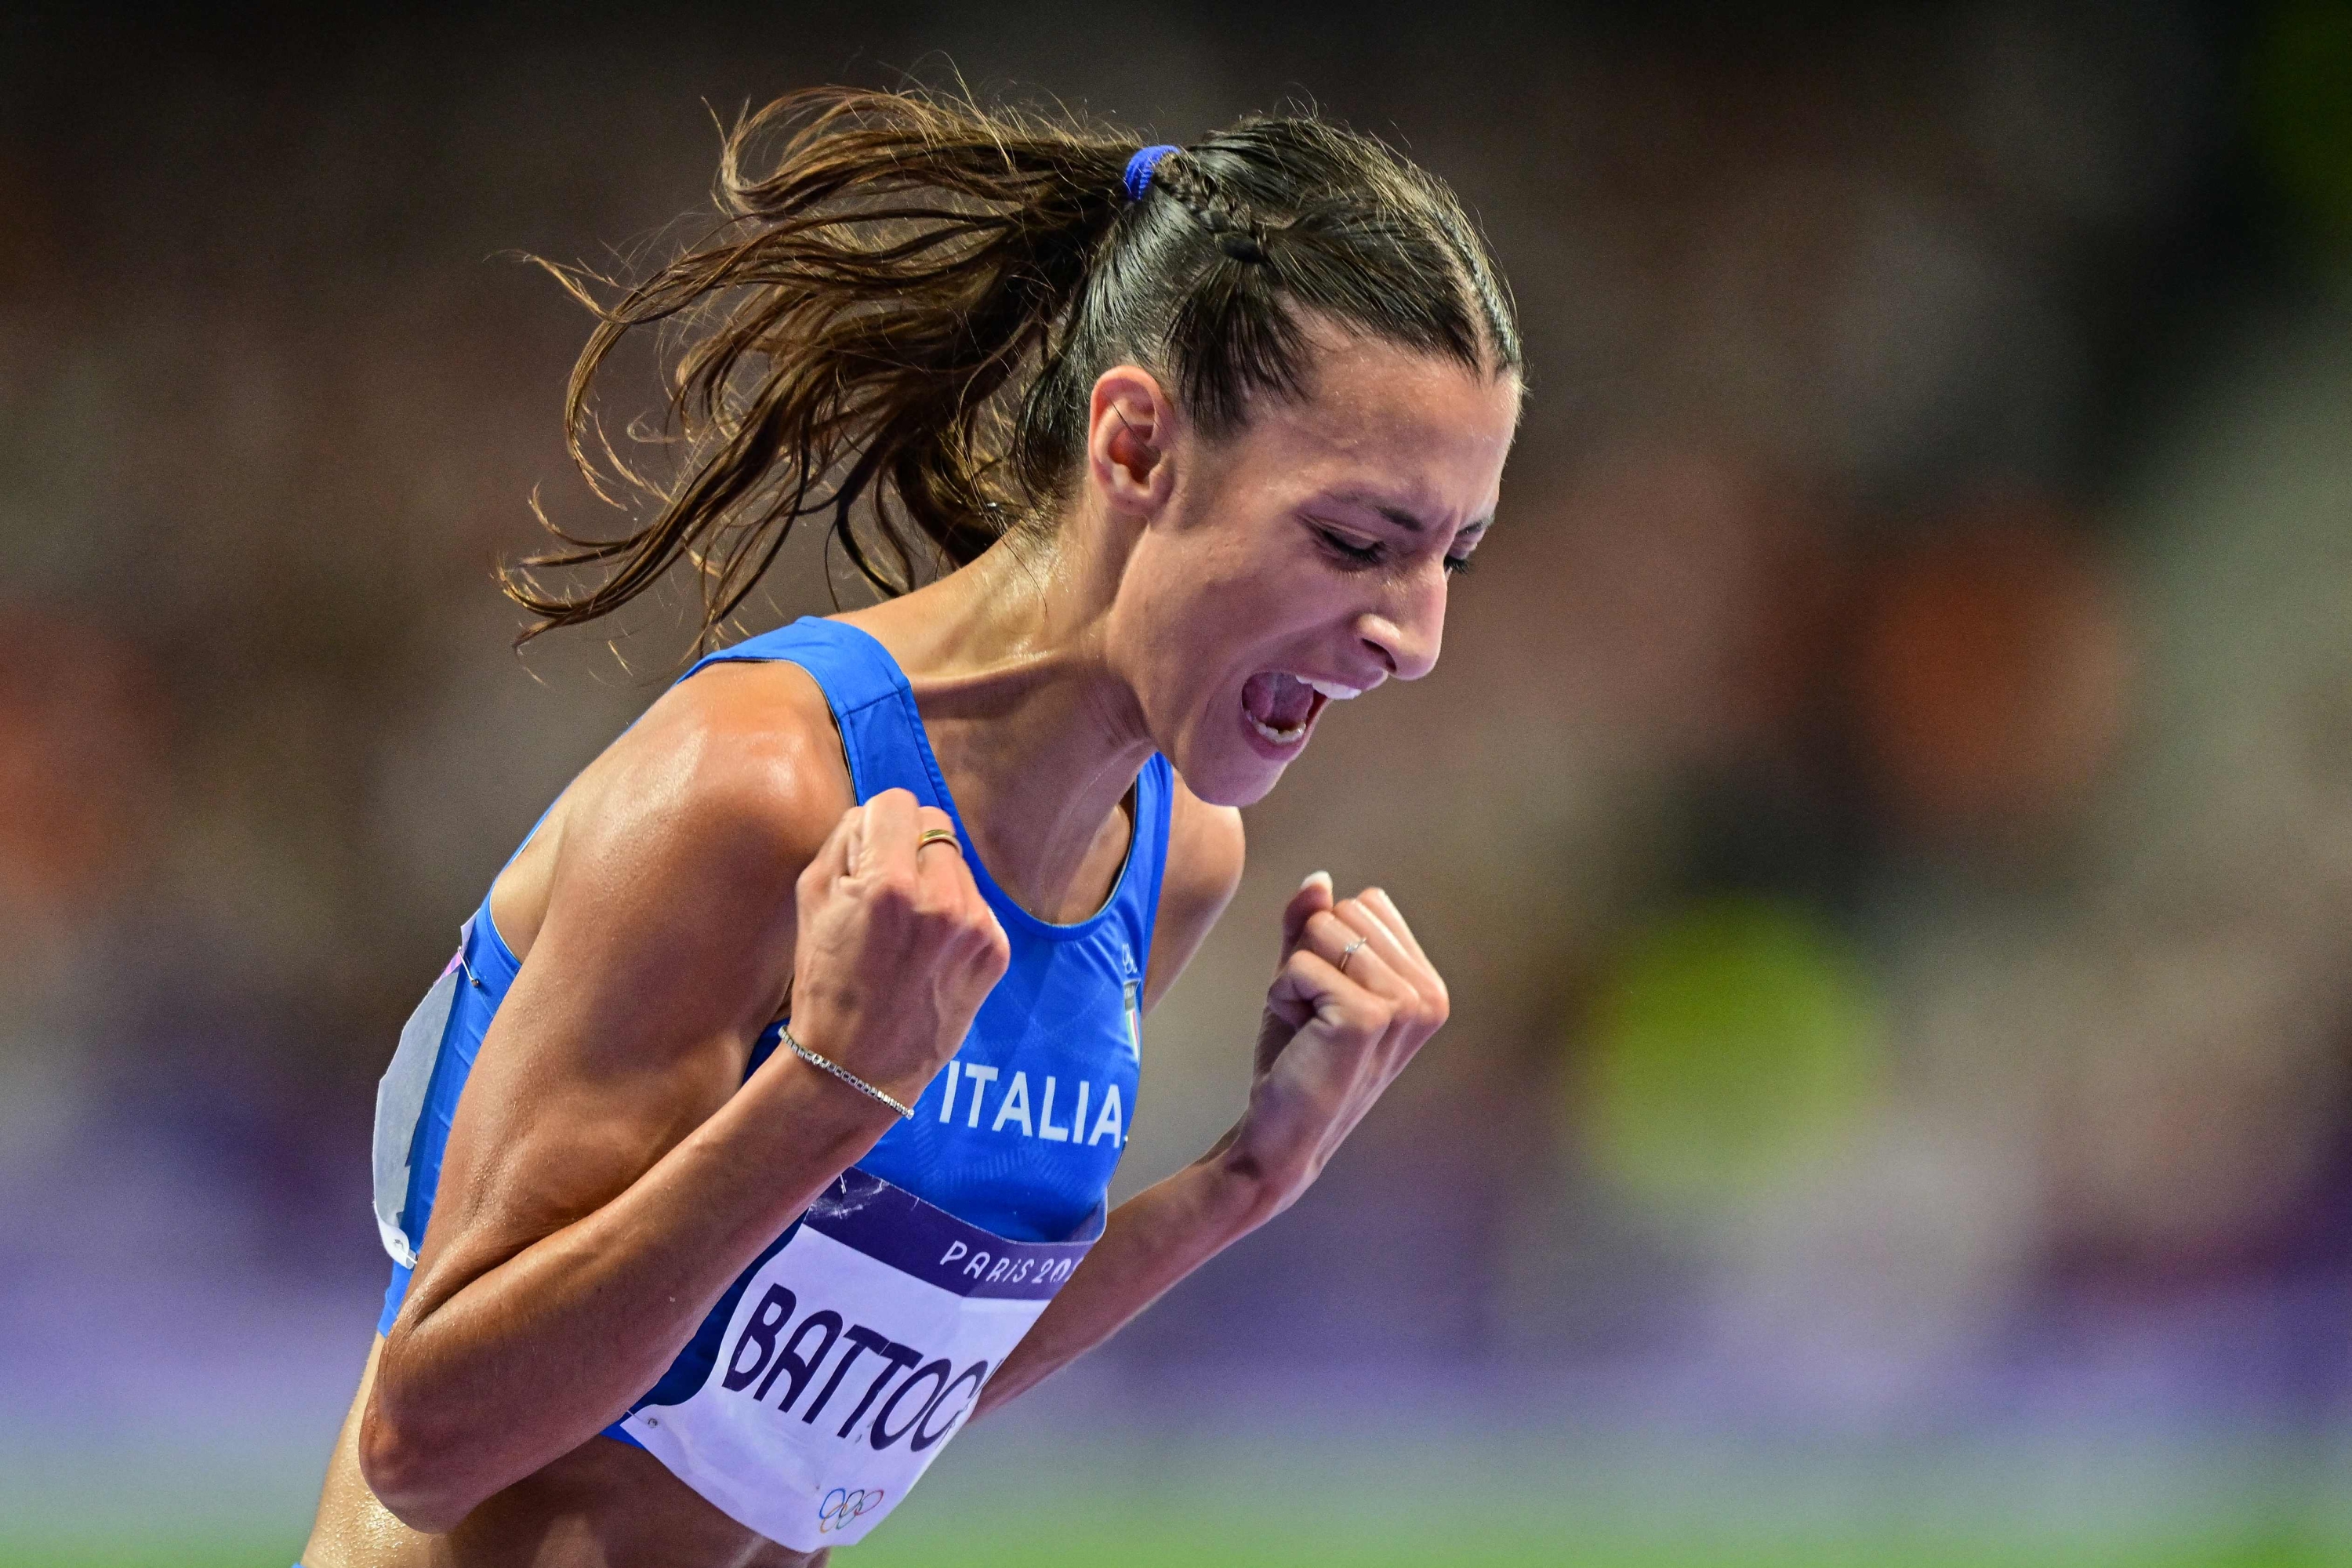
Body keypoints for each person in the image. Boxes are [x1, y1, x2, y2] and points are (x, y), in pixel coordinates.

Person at [301, 85, 1523, 1567]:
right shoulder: (755, 793)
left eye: (1453, 551)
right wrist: (825, 1094)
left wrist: (1243, 1185)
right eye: (1355, 541)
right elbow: (427, 1445)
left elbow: (830, 1437)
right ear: (1135, 448)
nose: (1418, 636)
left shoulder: (1171, 855)